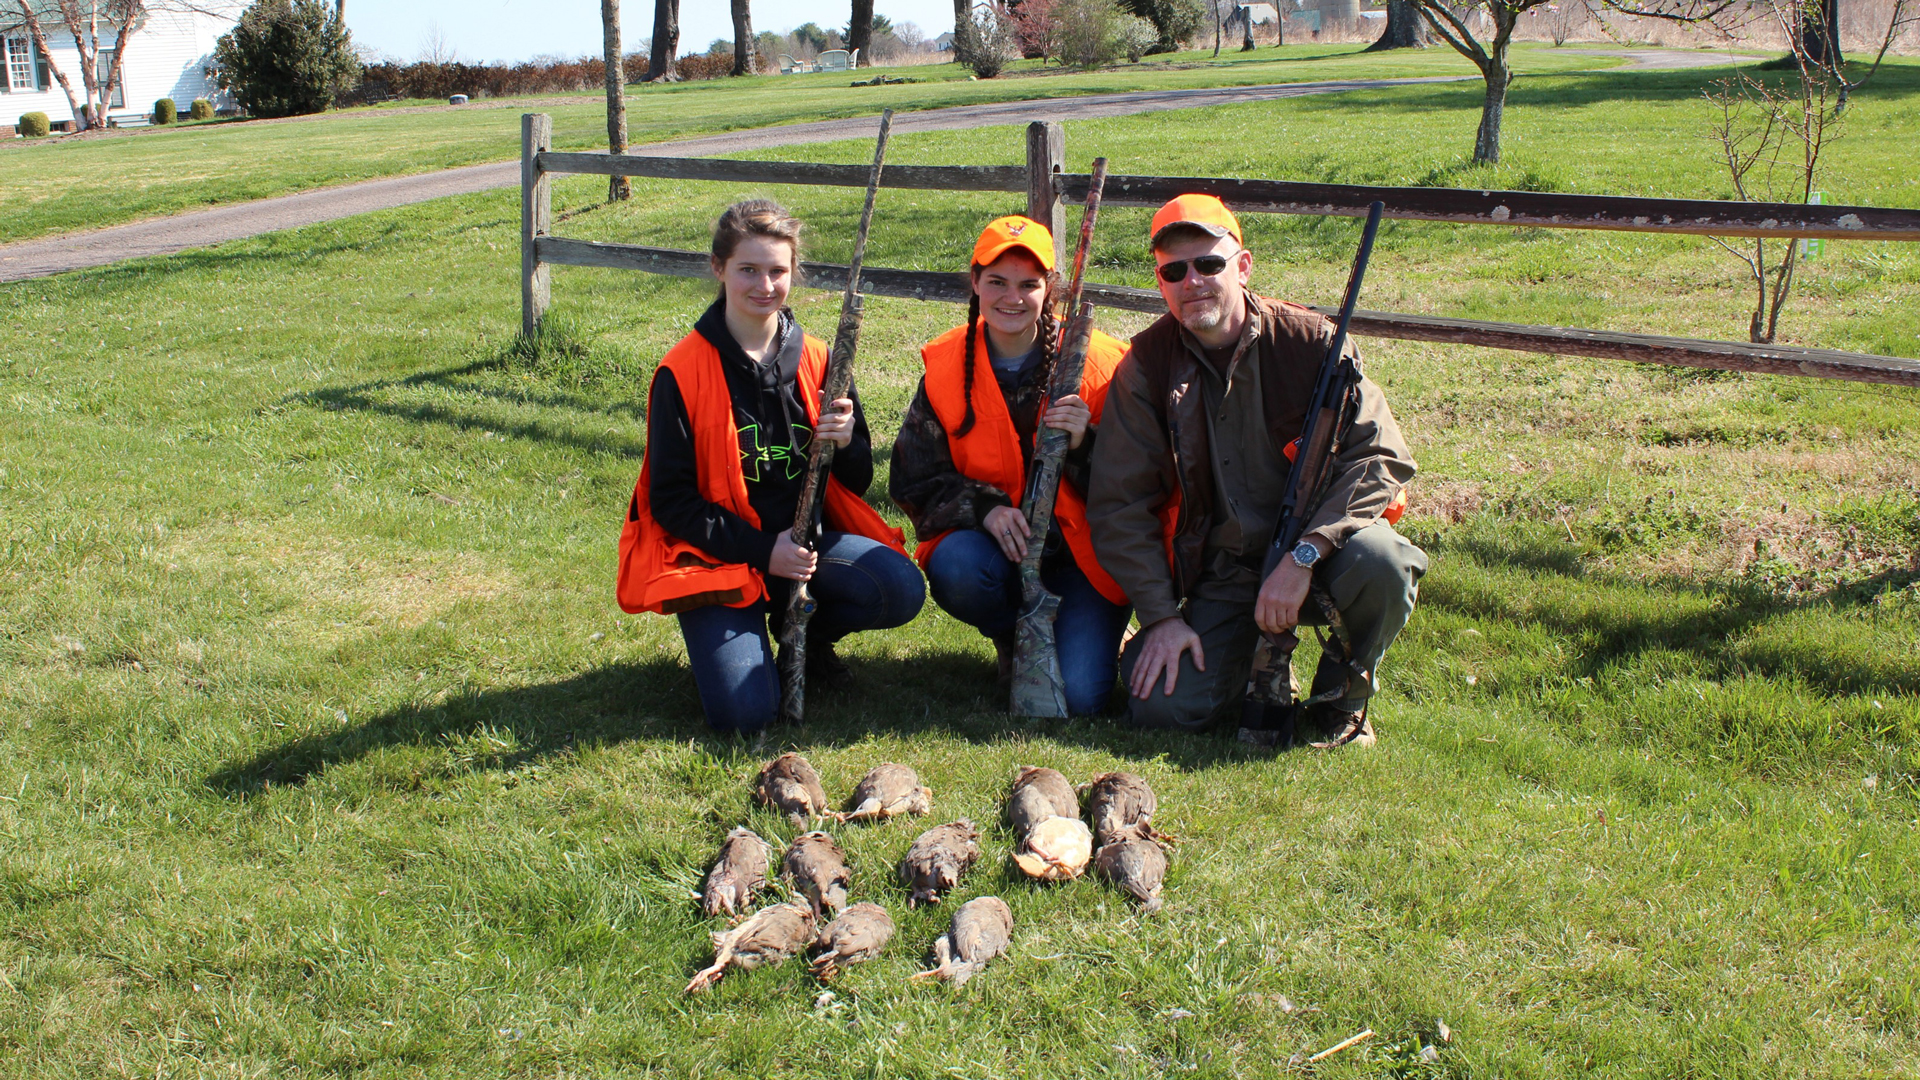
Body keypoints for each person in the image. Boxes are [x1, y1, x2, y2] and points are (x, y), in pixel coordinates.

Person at [1086, 194, 1426, 746]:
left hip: (1326, 556)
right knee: (1159, 709)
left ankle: (1342, 699)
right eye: (1174, 270)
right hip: (1223, 572)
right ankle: (1249, 661)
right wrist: (1161, 618)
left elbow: (1381, 455)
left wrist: (1306, 552)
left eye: (1209, 264)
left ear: (1242, 266)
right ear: (1160, 282)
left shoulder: (1314, 343)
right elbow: (1119, 504)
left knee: (1384, 561)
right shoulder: (1145, 365)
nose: (1192, 281)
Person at [618, 199, 925, 735]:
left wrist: (848, 440)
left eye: (778, 271)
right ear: (719, 269)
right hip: (717, 557)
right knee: (745, 716)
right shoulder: (681, 371)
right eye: (748, 270)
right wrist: (765, 551)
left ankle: (803, 638)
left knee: (899, 586)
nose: (765, 285)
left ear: (793, 273)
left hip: (804, 552)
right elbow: (670, 502)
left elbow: (854, 482)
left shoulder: (822, 358)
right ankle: (736, 640)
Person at [890, 215, 1133, 715]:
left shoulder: (1104, 365)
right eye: (996, 282)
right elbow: (913, 479)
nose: (1012, 298)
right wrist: (985, 509)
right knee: (959, 569)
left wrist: (1087, 441)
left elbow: (1143, 483)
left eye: (1029, 284)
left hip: (1083, 556)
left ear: (1052, 290)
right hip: (993, 551)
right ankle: (1010, 637)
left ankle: (1101, 625)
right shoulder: (947, 367)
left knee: (1082, 700)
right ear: (974, 282)